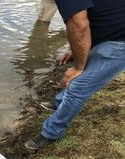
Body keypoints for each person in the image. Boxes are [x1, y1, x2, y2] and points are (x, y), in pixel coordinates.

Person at [25, 0, 125, 149]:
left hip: (120, 41)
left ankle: (51, 132)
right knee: (79, 60)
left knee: (78, 85)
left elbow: (79, 25)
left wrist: (78, 67)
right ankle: (59, 102)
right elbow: (96, 16)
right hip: (110, 32)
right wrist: (77, 50)